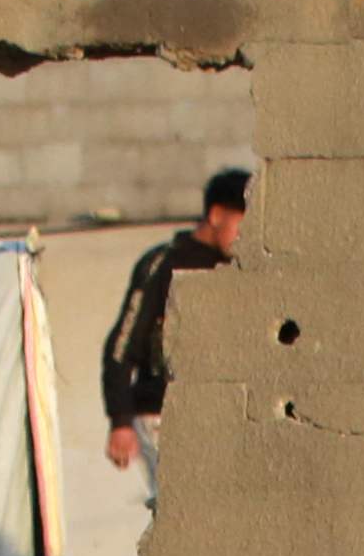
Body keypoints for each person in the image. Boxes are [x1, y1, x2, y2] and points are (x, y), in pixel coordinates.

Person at [98, 168, 251, 470]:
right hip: (161, 413)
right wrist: (120, 420)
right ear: (217, 214)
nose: (249, 236)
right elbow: (122, 344)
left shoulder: (244, 270)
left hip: (223, 415)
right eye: (243, 224)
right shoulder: (164, 264)